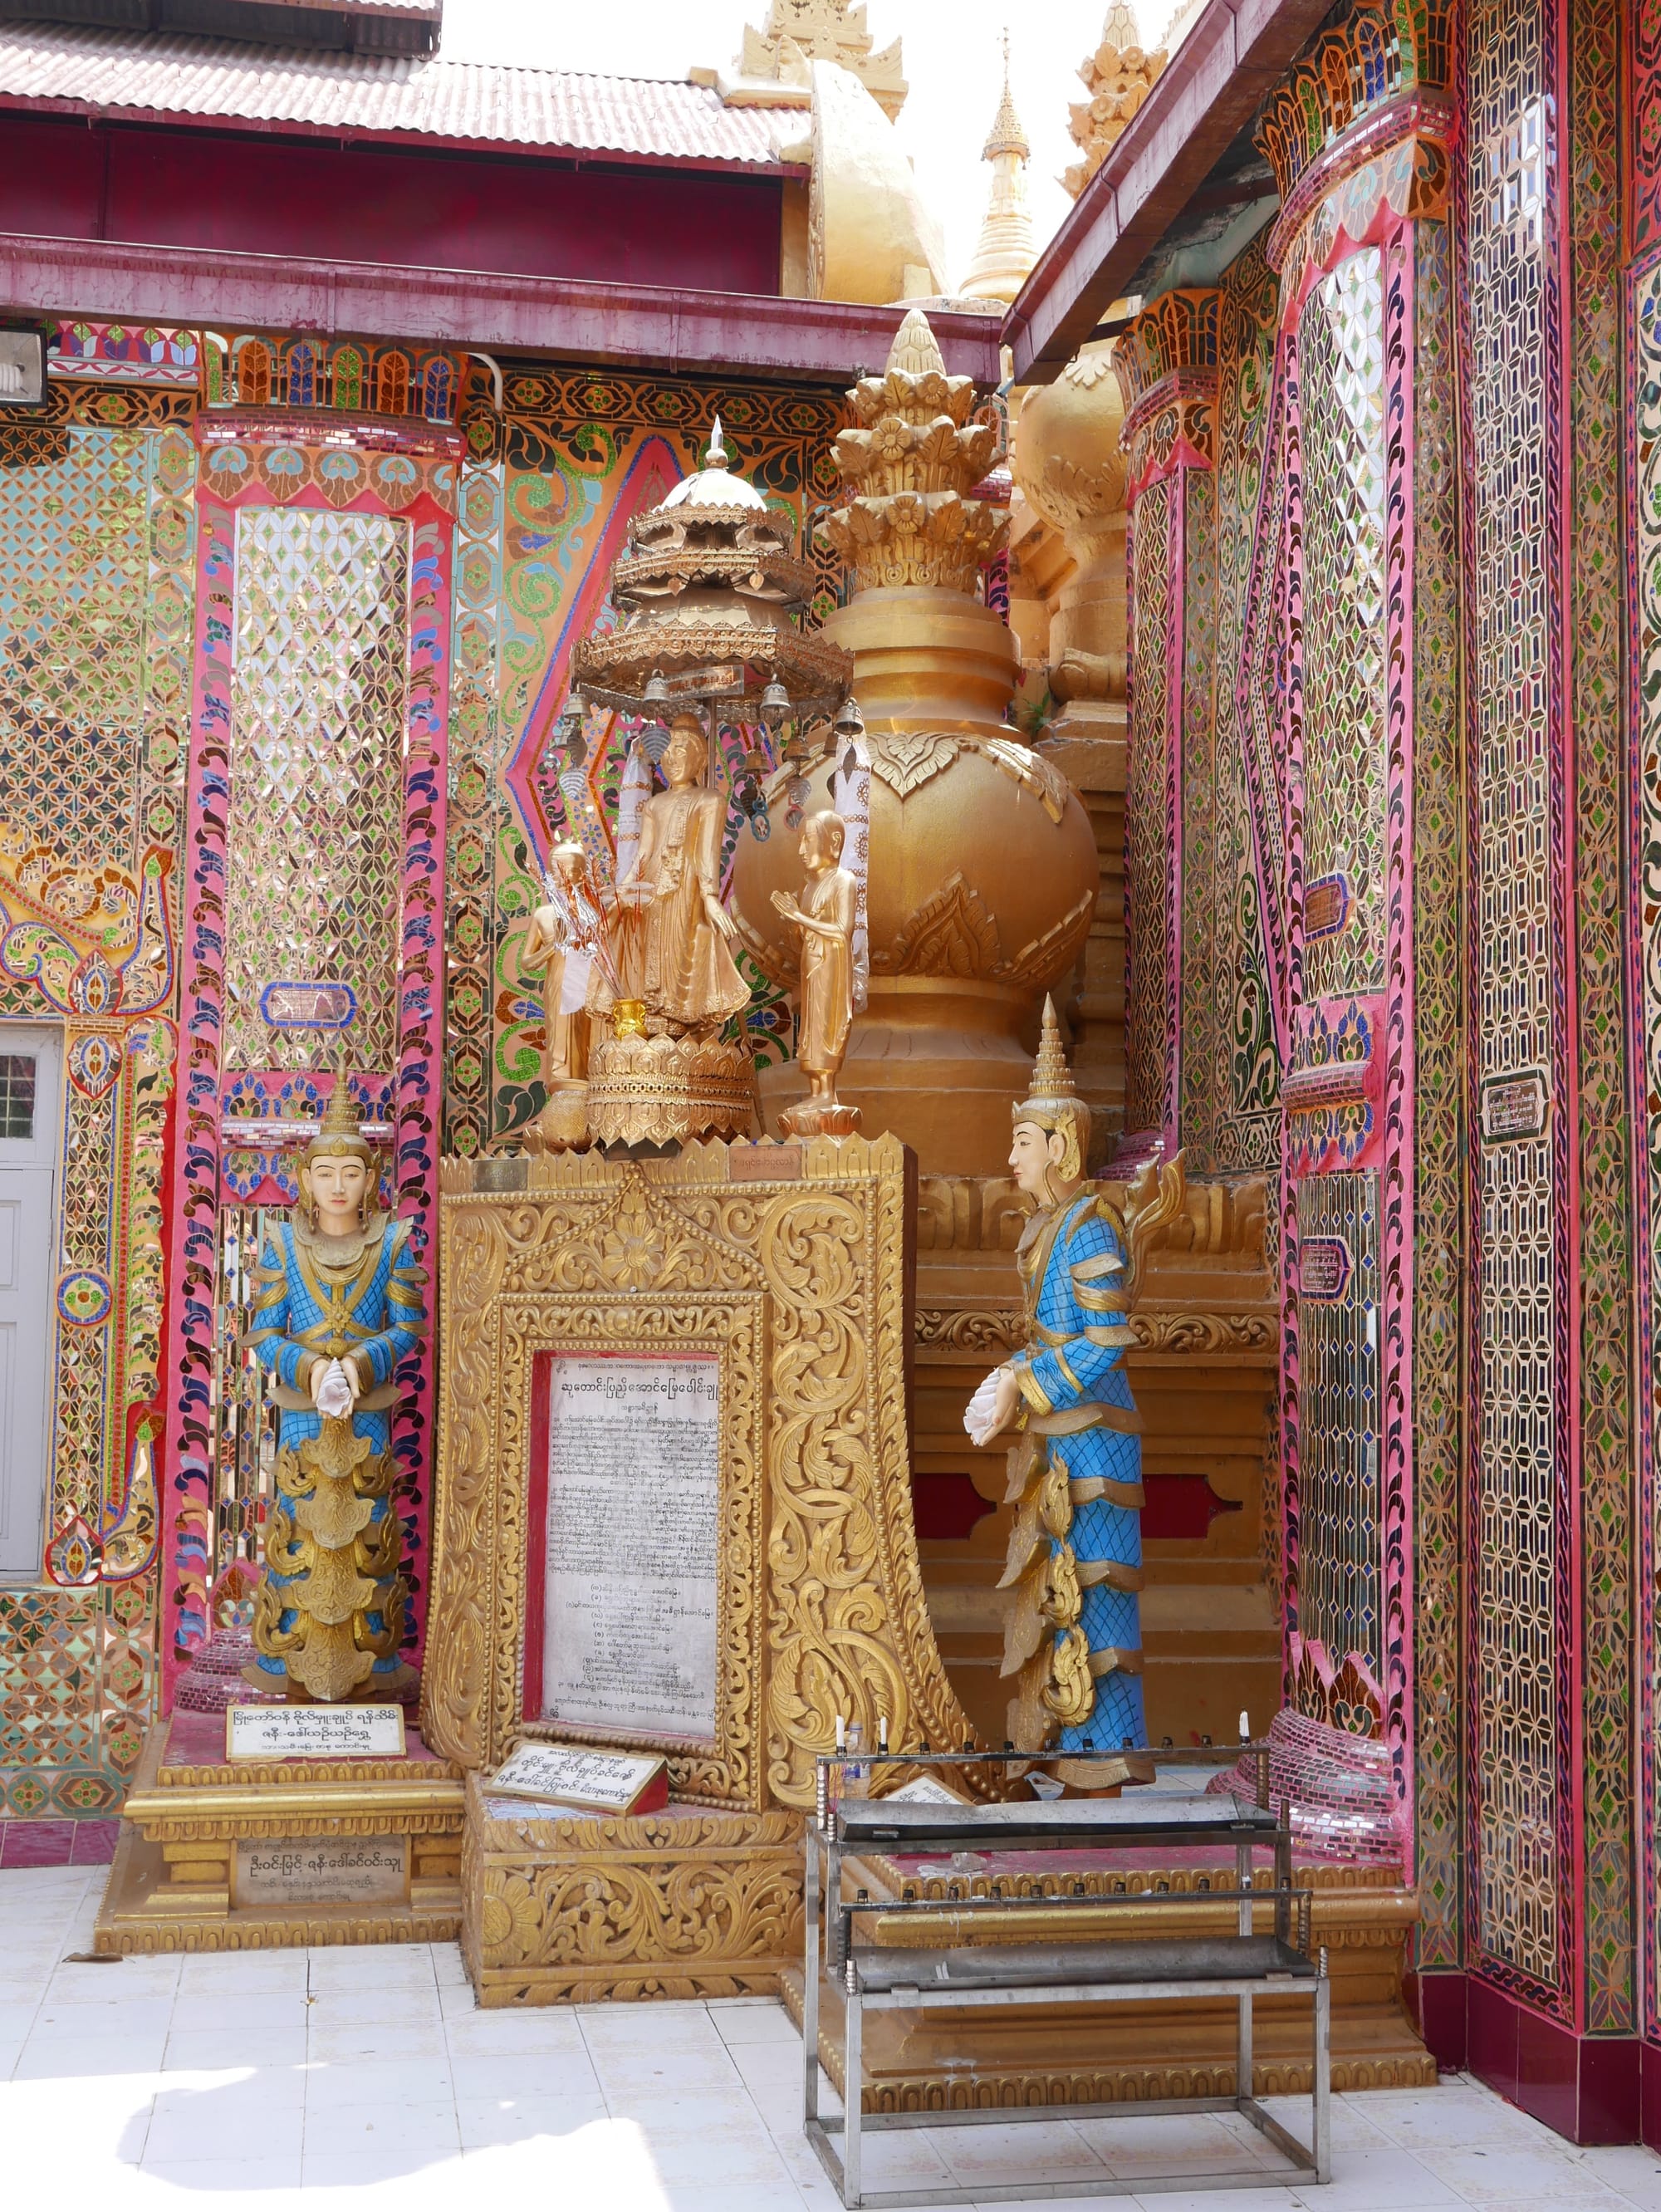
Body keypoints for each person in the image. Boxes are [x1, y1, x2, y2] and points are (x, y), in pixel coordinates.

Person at [967, 998, 1147, 1752]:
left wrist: (1025, 1379)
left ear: (1062, 1147)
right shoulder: (1046, 1227)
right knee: (1056, 1598)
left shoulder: (1092, 1226)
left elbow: (1107, 1340)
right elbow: (1054, 1334)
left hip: (1096, 1444)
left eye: (1024, 1142)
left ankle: (1102, 1757)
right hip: (1057, 1439)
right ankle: (1068, 1753)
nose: (1012, 1158)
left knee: (1093, 1600)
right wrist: (1014, 1373)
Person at [243, 1081, 427, 1700]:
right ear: (305, 1179)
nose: (339, 1186)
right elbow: (263, 1333)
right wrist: (311, 1369)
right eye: (326, 1173)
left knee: (367, 1532)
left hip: (368, 1415)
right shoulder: (281, 1243)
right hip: (302, 1419)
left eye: (351, 1171)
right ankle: (290, 1660)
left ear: (370, 1177)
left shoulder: (395, 1241)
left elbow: (409, 1326)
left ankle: (370, 1663)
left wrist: (364, 1363)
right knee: (301, 1530)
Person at [590, 712, 748, 1036]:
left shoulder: (710, 800)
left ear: (700, 759)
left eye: (682, 750)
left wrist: (710, 897)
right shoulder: (654, 805)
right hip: (652, 887)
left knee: (682, 946)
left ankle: (681, 1021)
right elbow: (642, 856)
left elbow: (707, 854)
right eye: (668, 751)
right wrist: (623, 893)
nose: (672, 758)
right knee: (653, 949)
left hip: (688, 886)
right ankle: (655, 1013)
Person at [771, 810, 856, 1099]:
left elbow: (842, 931)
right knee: (809, 1027)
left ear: (833, 842)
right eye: (800, 842)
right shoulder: (809, 887)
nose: (801, 850)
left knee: (826, 1024)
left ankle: (828, 1093)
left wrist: (799, 917)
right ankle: (815, 1091)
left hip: (831, 965)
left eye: (808, 840)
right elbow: (805, 935)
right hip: (810, 965)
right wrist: (792, 920)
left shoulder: (844, 881)